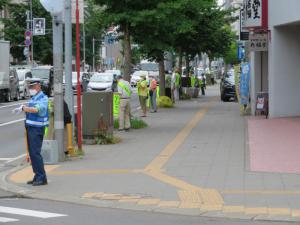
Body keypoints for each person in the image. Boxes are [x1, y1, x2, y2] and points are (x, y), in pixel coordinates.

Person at [12, 78, 49, 186]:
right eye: (30, 87)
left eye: (32, 87)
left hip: (37, 129)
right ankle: (37, 175)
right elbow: (31, 109)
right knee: (32, 154)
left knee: (35, 153)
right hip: (31, 128)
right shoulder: (34, 98)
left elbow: (37, 110)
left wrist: (24, 108)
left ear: (38, 86)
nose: (30, 89)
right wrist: (23, 108)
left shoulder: (43, 98)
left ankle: (42, 177)